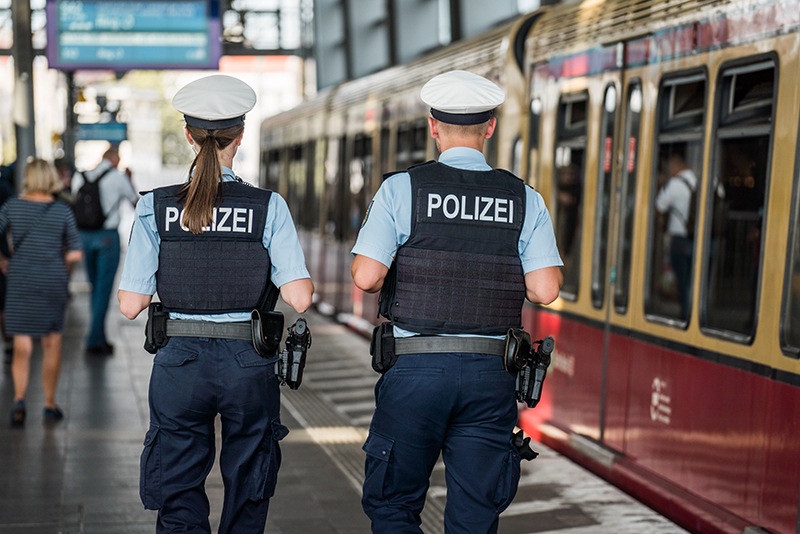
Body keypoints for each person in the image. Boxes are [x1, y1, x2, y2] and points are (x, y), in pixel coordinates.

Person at [351, 70, 563, 533]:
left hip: (415, 372)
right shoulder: (523, 198)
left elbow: (367, 278)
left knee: (394, 504)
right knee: (475, 511)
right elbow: (545, 290)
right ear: (490, 127)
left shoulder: (401, 189)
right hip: (490, 377)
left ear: (433, 126)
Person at [117, 75, 314, 533]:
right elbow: (300, 297)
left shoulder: (156, 207)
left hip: (179, 364)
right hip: (248, 362)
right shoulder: (268, 206)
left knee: (179, 484)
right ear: (239, 137)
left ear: (188, 136)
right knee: (249, 481)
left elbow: (131, 305)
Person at [0, 159, 83, 426]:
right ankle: (48, 403)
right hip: (52, 281)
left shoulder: (11, 206)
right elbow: (75, 252)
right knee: (51, 342)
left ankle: (19, 400)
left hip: (20, 280)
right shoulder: (61, 211)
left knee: (22, 344)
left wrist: (3, 260)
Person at [72, 145, 139, 355]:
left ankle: (98, 335)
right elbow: (136, 203)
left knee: (94, 288)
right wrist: (130, 178)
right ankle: (94, 340)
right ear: (115, 159)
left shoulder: (80, 176)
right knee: (103, 289)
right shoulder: (118, 177)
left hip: (84, 236)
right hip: (107, 238)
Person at [655, 152, 696, 320]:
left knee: (683, 281)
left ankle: (685, 315)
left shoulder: (675, 184)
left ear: (676, 166)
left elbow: (660, 205)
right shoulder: (700, 180)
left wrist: (663, 185)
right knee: (695, 281)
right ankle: (694, 314)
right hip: (699, 239)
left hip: (680, 239)